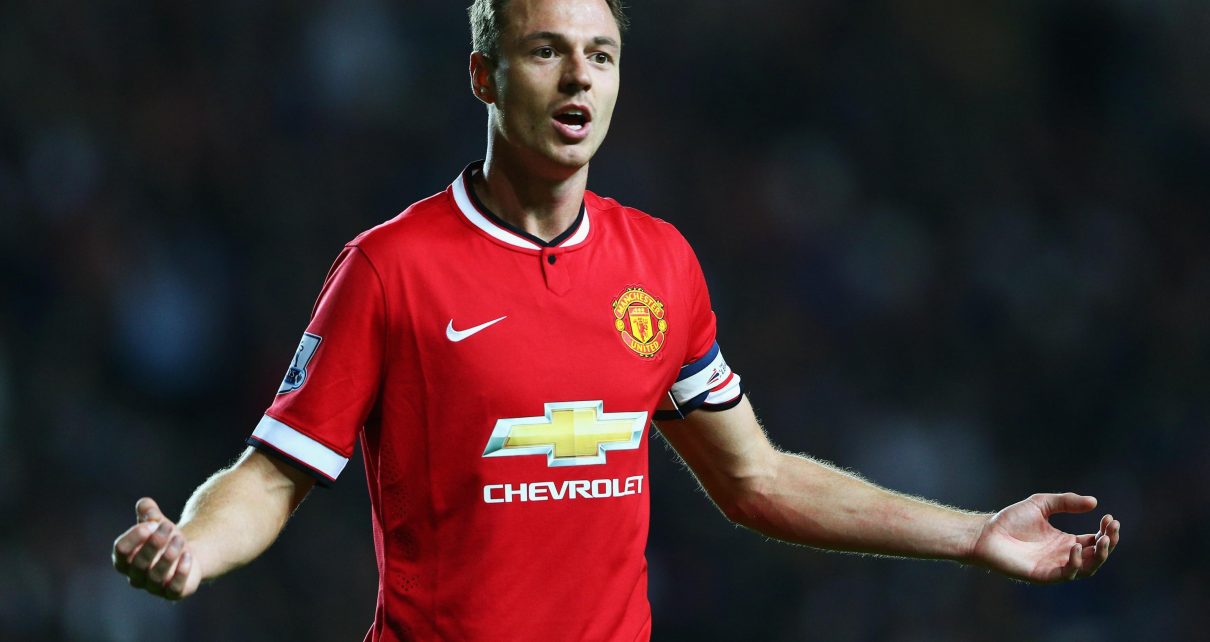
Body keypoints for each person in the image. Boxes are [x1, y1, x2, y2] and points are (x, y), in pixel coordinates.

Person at [111, 0, 1122, 640]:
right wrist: (193, 547)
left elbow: (757, 479)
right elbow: (276, 471)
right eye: (545, 50)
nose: (579, 77)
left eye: (599, 53)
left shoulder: (660, 265)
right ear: (484, 76)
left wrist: (974, 534)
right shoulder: (391, 268)